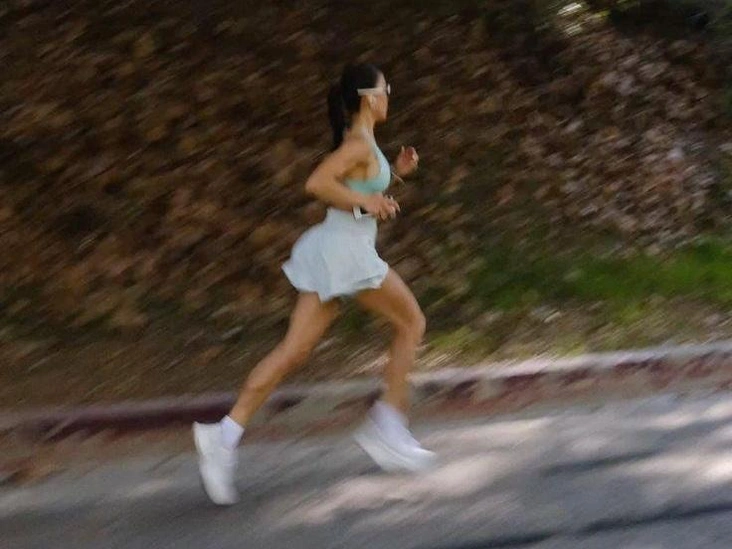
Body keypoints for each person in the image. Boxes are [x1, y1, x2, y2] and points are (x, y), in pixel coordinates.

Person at [193, 63, 435, 506]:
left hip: (335, 250)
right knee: (411, 323)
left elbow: (355, 194)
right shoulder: (358, 143)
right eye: (386, 88)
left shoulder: (364, 143)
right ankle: (388, 424)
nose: (389, 96)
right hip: (347, 255)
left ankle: (223, 436)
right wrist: (367, 200)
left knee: (294, 351)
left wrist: (395, 175)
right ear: (368, 97)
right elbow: (318, 182)